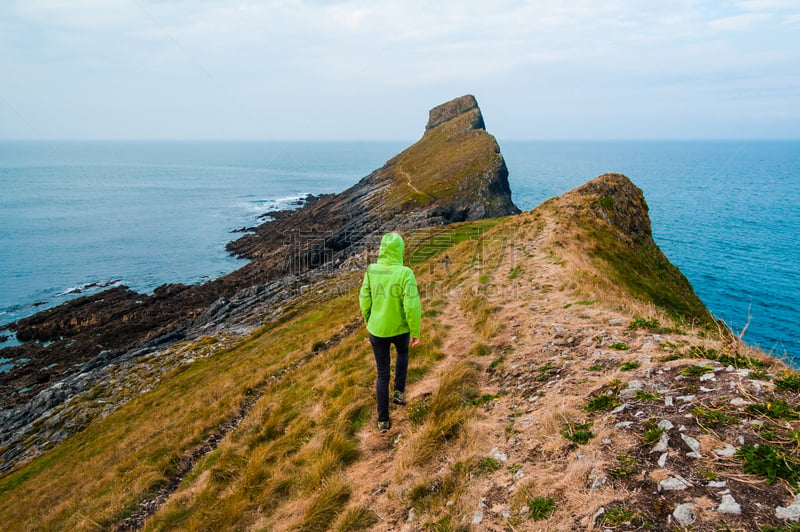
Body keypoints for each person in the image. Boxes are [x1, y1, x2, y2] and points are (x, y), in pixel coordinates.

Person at [359, 232, 421, 433]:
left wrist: (370, 320)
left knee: (382, 373)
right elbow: (411, 305)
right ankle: (399, 392)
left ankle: (383, 421)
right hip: (400, 328)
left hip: (377, 330)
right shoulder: (405, 273)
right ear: (400, 250)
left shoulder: (371, 270)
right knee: (403, 353)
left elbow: (364, 300)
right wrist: (415, 330)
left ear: (382, 249)